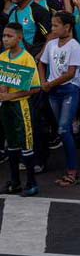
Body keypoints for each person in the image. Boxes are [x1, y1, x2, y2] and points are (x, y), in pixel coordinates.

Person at [40, 11, 80, 187]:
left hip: (69, 90)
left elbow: (71, 73)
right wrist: (44, 81)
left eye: (56, 25)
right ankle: (70, 168)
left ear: (67, 27)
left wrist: (49, 84)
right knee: (62, 130)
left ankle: (72, 171)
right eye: (52, 25)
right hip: (53, 91)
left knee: (64, 128)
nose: (53, 28)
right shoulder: (51, 44)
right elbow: (42, 62)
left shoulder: (74, 46)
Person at [0, 23, 42, 196]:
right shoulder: (3, 56)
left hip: (20, 105)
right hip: (6, 106)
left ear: (19, 38)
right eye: (4, 35)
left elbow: (35, 88)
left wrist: (11, 96)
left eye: (9, 36)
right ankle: (15, 181)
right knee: (11, 143)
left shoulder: (26, 58)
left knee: (26, 143)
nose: (5, 39)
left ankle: (32, 183)